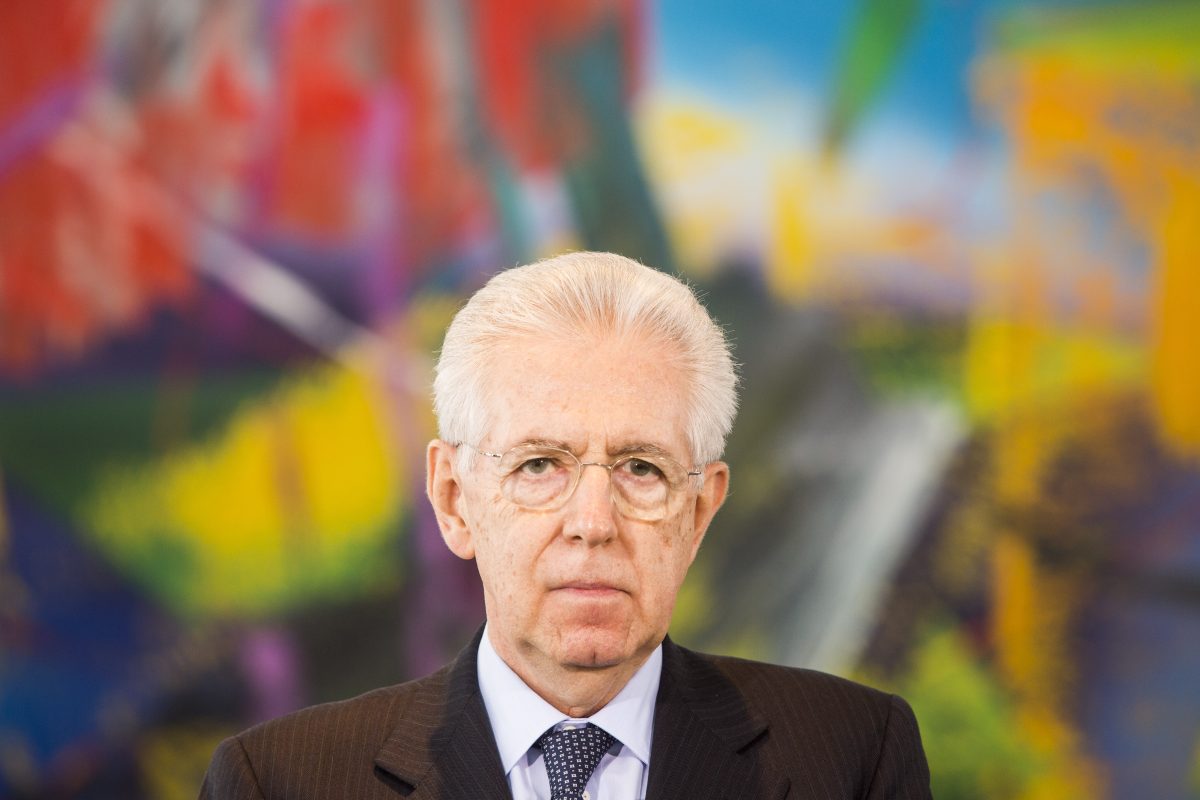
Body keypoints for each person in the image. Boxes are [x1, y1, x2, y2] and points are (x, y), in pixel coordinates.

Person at [200, 252, 931, 799]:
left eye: (641, 467)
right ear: (454, 499)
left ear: (699, 510)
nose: (592, 523)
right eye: (540, 465)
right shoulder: (281, 782)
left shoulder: (853, 756)